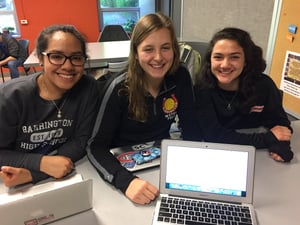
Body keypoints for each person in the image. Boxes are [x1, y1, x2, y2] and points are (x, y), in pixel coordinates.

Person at [87, 12, 197, 205]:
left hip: (162, 162)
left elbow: (191, 127)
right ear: (136, 53)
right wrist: (126, 182)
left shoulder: (180, 76)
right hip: (124, 167)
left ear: (174, 50)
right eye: (148, 49)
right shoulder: (119, 88)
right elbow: (95, 146)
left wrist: (192, 166)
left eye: (165, 48)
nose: (158, 57)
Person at [0, 24, 100, 187]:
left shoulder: (88, 88)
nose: (68, 66)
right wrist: (40, 163)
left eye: (76, 57)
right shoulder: (10, 97)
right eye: (56, 56)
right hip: (13, 179)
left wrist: (34, 174)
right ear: (40, 58)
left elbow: (81, 141)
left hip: (65, 173)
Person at [195, 27, 293, 162]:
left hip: (256, 157)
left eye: (234, 57)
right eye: (218, 57)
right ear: (210, 60)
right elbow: (214, 135)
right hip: (215, 153)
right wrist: (269, 139)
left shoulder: (263, 85)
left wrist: (281, 144)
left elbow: (280, 123)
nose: (225, 65)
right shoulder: (202, 88)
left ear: (246, 60)